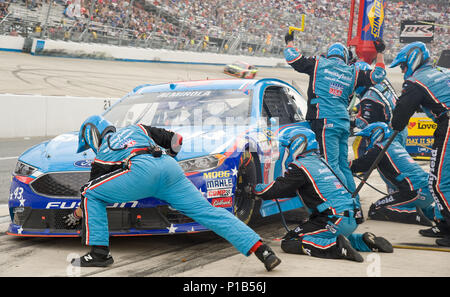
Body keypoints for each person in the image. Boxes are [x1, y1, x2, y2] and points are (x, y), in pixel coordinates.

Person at [68, 115, 282, 271]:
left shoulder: (104, 152)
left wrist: (75, 216)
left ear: (92, 135)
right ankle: (262, 250)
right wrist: (166, 161)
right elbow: (177, 140)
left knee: (89, 193)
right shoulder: (139, 129)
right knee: (209, 213)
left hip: (142, 172)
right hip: (170, 168)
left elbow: (95, 192)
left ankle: (99, 254)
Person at [252, 127, 393, 262]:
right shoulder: (323, 162)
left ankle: (334, 247)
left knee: (290, 241)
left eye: (288, 147)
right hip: (352, 217)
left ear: (298, 144)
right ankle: (363, 241)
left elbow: (280, 187)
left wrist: (255, 189)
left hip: (334, 219)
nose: (287, 151)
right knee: (321, 232)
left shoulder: (300, 167)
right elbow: (291, 189)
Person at [283, 31, 387, 214]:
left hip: (325, 122)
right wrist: (380, 53)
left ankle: (343, 207)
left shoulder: (318, 64)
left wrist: (289, 41)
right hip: (343, 123)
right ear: (345, 58)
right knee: (342, 165)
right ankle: (354, 206)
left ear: (329, 54)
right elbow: (378, 75)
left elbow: (292, 58)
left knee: (330, 166)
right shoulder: (353, 71)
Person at [389, 41, 450, 246]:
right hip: (445, 120)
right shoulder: (442, 71)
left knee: (439, 181)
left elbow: (399, 119)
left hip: (448, 123)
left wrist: (395, 122)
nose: (402, 70)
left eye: (403, 66)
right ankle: (443, 223)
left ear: (412, 61)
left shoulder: (416, 81)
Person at [350, 122, 438, 226]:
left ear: (376, 134)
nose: (366, 142)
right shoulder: (395, 144)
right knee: (401, 200)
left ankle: (414, 215)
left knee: (375, 209)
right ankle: (434, 213)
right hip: (427, 191)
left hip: (414, 191)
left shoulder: (379, 149)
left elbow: (360, 165)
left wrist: (344, 166)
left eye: (367, 138)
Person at [352, 61, 408, 147]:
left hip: (389, 134)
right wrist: (356, 108)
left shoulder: (369, 98)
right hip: (401, 128)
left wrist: (351, 121)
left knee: (360, 147)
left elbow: (365, 123)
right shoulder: (382, 81)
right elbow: (379, 102)